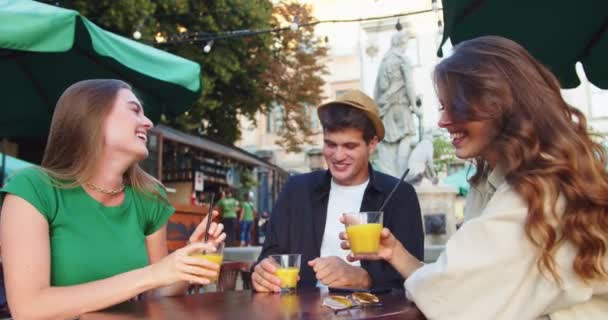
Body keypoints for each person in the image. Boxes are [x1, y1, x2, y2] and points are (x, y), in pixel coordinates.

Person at [340, 36, 608, 319]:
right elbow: (465, 285)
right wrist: (395, 252)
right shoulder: (496, 181)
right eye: (443, 107)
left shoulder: (535, 191)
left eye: (456, 106)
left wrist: (375, 278)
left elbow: (452, 298)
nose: (443, 121)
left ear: (499, 105)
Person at [0, 79, 225, 319]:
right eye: (134, 110)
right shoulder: (33, 189)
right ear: (93, 117)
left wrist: (187, 262)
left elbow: (157, 293)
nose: (148, 123)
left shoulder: (149, 196)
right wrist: (152, 274)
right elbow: (29, 308)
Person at [252, 90, 424, 292]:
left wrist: (365, 279)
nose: (338, 155)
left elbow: (414, 278)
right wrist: (262, 273)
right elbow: (270, 256)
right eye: (330, 144)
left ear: (372, 144)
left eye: (350, 146)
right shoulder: (296, 189)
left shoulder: (399, 195)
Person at [373, 29, 422, 177]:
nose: (406, 46)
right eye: (406, 42)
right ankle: (402, 177)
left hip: (386, 108)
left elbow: (379, 88)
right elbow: (409, 84)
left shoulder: (385, 61)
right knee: (405, 137)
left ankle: (391, 177)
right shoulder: (403, 60)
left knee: (390, 143)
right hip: (401, 105)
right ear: (402, 43)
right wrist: (415, 107)